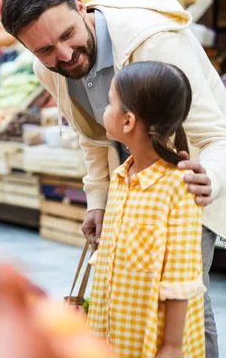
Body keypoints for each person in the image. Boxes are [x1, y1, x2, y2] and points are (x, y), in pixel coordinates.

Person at [0, 0, 226, 357]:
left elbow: (216, 134)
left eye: (68, 35)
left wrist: (211, 179)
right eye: (45, 50)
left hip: (187, 185)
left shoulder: (154, 43)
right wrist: (98, 203)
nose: (65, 56)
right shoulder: (48, 69)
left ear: (80, 6)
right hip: (129, 185)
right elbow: (92, 138)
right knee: (130, 288)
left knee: (183, 297)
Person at [87, 62, 204, 357]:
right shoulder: (121, 177)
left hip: (152, 342)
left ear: (127, 121)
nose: (105, 109)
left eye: (111, 102)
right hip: (112, 331)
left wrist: (172, 347)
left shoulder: (178, 187)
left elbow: (183, 277)